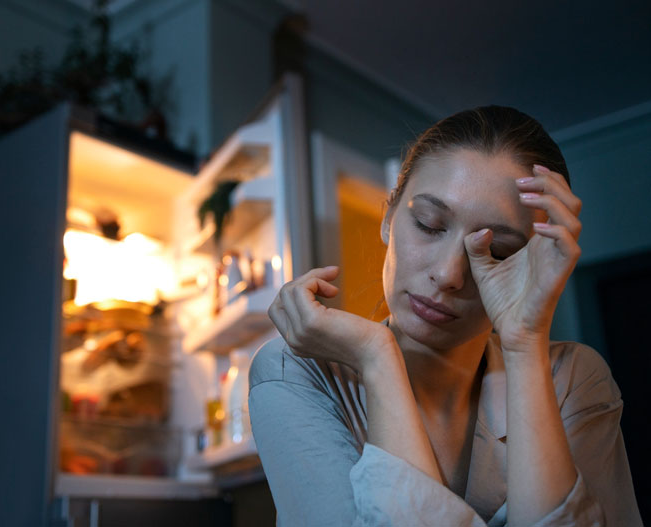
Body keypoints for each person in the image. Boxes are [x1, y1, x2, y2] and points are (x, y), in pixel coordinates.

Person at [247, 106, 642, 526]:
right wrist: (377, 357)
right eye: (429, 224)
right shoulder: (293, 373)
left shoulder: (573, 378)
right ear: (389, 216)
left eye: (497, 251)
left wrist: (525, 340)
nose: (449, 275)